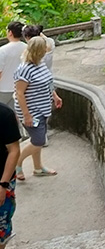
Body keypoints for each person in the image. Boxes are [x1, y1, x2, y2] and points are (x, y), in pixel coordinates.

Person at [14, 36, 62, 180]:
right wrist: (26, 115)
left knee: (37, 140)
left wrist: (55, 96)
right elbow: (19, 93)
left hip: (43, 109)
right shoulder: (24, 70)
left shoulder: (40, 64)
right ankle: (17, 164)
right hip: (31, 112)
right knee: (38, 141)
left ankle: (38, 168)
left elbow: (48, 83)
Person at [0, 101, 21, 249]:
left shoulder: (4, 114)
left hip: (2, 179)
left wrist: (3, 185)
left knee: (1, 223)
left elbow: (14, 151)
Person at [0, 21, 26, 110]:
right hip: (22, 88)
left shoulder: (2, 50)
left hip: (4, 88)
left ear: (10, 32)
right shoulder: (27, 48)